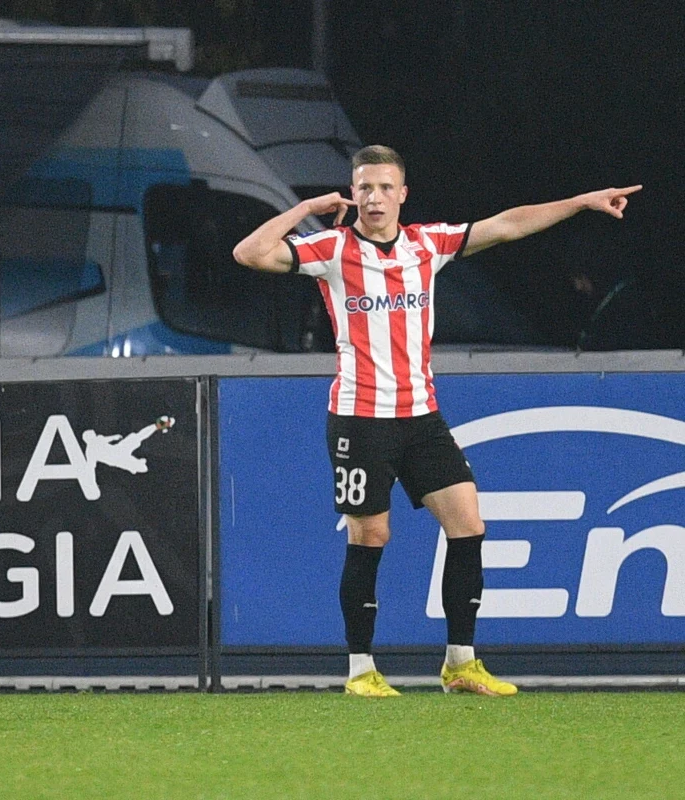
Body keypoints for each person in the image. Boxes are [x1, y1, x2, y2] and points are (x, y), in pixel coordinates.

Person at [233, 145, 639, 697]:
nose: (374, 197)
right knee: (371, 535)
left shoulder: (428, 244)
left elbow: (508, 225)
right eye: (364, 188)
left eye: (384, 187)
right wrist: (307, 207)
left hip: (421, 416)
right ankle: (360, 670)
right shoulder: (330, 248)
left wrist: (580, 202)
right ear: (352, 195)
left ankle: (460, 664)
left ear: (402, 194)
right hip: (361, 417)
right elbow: (249, 253)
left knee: (468, 523)